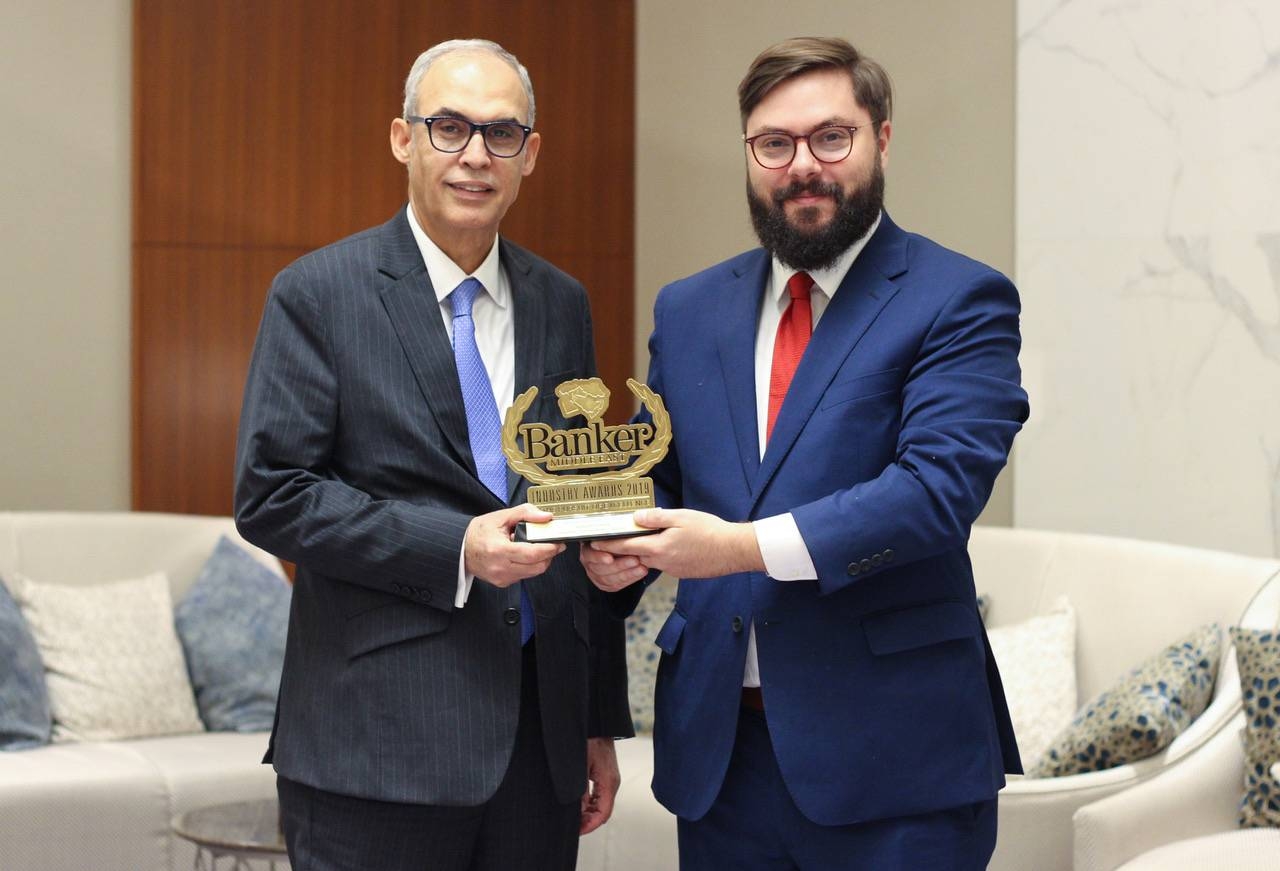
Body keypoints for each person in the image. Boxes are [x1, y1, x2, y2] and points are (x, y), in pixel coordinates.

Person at [582, 36, 1029, 871]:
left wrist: (735, 548)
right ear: (749, 154)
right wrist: (617, 554)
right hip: (719, 756)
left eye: (832, 137)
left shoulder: (959, 297)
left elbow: (935, 491)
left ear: (881, 139)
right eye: (774, 144)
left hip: (895, 762)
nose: (802, 166)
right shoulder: (688, 309)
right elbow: (666, 481)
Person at [234, 38, 632, 871]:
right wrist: (456, 547)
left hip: (540, 752)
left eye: (501, 133)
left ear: (532, 154)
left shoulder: (562, 302)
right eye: (448, 127)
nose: (475, 155)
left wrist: (595, 718)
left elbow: (575, 499)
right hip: (374, 750)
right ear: (401, 138)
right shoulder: (319, 294)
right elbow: (273, 494)